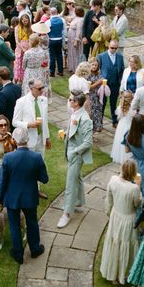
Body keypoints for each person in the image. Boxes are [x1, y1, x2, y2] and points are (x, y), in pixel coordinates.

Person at [0, 127, 48, 264]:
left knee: (14, 225)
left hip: (12, 198)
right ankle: (35, 249)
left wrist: (0, 198)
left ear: (14, 140)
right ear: (28, 139)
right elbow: (45, 178)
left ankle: (18, 254)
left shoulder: (8, 158)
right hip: (30, 197)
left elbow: (2, 181)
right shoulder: (36, 157)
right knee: (32, 223)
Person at [100, 159, 142, 285]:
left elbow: (109, 200)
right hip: (128, 220)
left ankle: (112, 274)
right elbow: (137, 204)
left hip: (115, 216)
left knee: (114, 243)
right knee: (126, 245)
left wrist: (109, 213)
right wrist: (139, 187)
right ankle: (122, 274)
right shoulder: (134, 188)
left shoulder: (113, 180)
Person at [57, 93, 93, 229]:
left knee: (70, 183)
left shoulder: (85, 119)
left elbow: (88, 142)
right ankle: (77, 202)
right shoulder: (74, 113)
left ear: (76, 102)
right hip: (71, 150)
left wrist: (74, 151)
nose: (69, 100)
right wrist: (66, 134)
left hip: (76, 154)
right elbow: (74, 131)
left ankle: (66, 214)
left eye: (71, 99)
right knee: (77, 178)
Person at [98, 40, 124, 128]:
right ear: (108, 46)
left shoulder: (120, 57)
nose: (113, 50)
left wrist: (120, 82)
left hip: (115, 84)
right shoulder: (101, 56)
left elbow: (122, 70)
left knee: (113, 103)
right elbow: (98, 70)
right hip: (105, 85)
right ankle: (99, 122)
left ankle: (114, 121)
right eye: (112, 47)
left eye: (115, 48)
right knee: (103, 103)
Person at [111, 91, 134, 164]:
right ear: (131, 99)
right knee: (129, 141)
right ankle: (128, 158)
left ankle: (119, 156)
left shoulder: (119, 107)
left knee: (119, 140)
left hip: (121, 126)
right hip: (129, 126)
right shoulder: (132, 109)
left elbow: (118, 117)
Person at [47, 8, 65, 77]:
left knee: (52, 56)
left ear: (50, 13)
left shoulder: (49, 21)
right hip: (59, 39)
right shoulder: (62, 20)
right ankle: (60, 71)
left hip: (51, 40)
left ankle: (52, 72)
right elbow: (64, 30)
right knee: (59, 55)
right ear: (57, 12)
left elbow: (46, 31)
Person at [87, 58, 104, 134]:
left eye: (96, 65)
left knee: (97, 114)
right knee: (90, 114)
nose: (94, 66)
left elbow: (102, 81)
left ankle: (95, 130)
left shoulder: (98, 74)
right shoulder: (87, 75)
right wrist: (98, 83)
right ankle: (89, 132)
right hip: (89, 98)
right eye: (92, 65)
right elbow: (88, 87)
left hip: (97, 98)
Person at [66, 6, 85, 74]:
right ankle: (71, 67)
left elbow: (79, 31)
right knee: (71, 52)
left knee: (76, 53)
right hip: (71, 37)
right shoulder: (76, 18)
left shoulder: (80, 20)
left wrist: (76, 40)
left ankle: (76, 68)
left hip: (74, 38)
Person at [14, 13, 32, 83]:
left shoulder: (30, 28)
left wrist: (28, 49)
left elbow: (31, 39)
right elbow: (17, 41)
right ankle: (17, 78)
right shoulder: (17, 28)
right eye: (22, 19)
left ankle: (24, 79)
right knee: (18, 63)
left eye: (26, 18)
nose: (24, 20)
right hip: (20, 48)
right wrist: (22, 49)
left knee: (26, 64)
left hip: (28, 47)